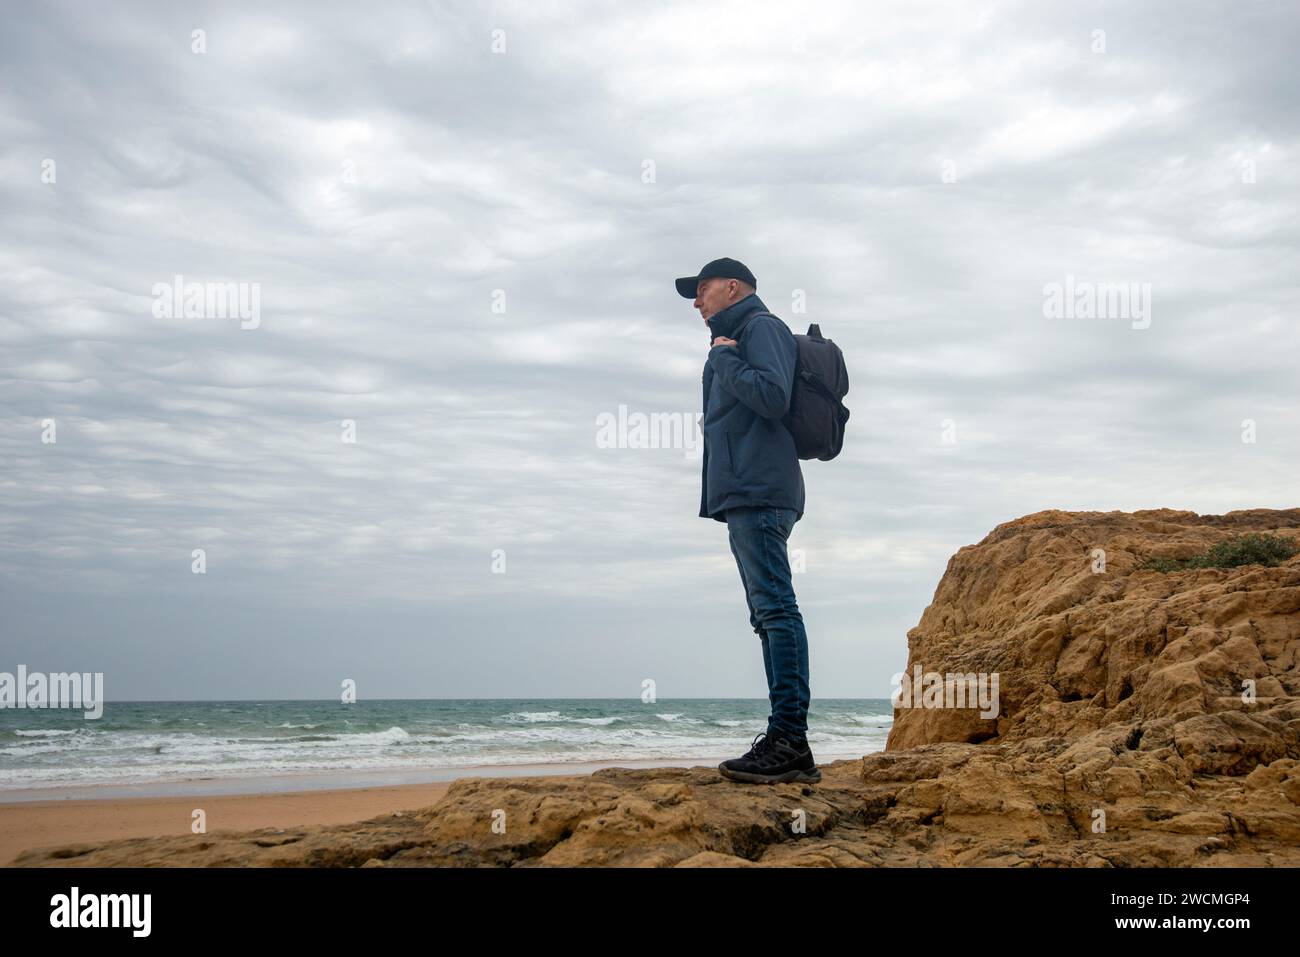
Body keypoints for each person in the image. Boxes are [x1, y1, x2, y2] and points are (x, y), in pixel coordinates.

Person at [675, 257, 820, 785]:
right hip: (748, 492)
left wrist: (725, 362)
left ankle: (790, 741)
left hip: (761, 492)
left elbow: (772, 396)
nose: (696, 300)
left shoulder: (759, 328)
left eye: (702, 289)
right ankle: (787, 739)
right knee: (768, 614)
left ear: (732, 287)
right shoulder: (740, 334)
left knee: (776, 611)